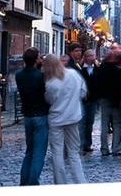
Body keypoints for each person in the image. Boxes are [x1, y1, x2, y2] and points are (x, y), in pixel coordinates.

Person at [42, 53, 88, 184]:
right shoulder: (73, 74)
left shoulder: (51, 83)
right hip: (73, 117)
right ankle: (80, 182)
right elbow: (83, 92)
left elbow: (49, 100)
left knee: (57, 153)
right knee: (74, 153)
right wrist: (74, 100)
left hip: (57, 119)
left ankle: (60, 183)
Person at [15, 47, 49, 186]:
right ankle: (32, 182)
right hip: (40, 114)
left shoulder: (19, 75)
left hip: (27, 115)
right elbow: (45, 95)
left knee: (29, 151)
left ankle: (24, 181)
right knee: (39, 152)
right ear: (36, 60)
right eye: (39, 57)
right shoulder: (41, 76)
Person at [93, 49, 121, 155]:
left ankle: (104, 148)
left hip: (104, 99)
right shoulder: (118, 69)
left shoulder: (102, 68)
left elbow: (97, 83)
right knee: (117, 124)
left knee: (104, 125)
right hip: (116, 100)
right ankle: (115, 148)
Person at [78, 47, 99, 153]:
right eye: (90, 56)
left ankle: (88, 144)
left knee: (90, 123)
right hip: (83, 100)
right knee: (82, 122)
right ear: (85, 58)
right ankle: (81, 144)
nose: (92, 58)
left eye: (93, 55)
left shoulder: (97, 69)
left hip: (93, 99)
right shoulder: (81, 69)